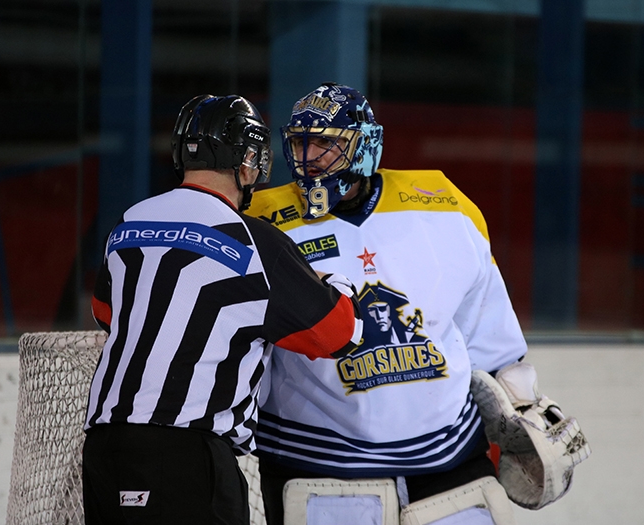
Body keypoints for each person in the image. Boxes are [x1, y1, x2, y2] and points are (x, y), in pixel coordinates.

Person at [246, 83, 588, 524]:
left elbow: (491, 336)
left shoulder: (446, 206)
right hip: (317, 467)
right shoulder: (260, 220)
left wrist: (522, 406)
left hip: (451, 461)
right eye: (300, 142)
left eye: (326, 145)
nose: (308, 157)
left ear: (365, 145)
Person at [82, 94, 364, 525]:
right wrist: (337, 282)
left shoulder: (129, 222)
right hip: (187, 455)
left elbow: (105, 310)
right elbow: (336, 333)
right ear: (247, 158)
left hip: (104, 449)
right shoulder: (254, 239)